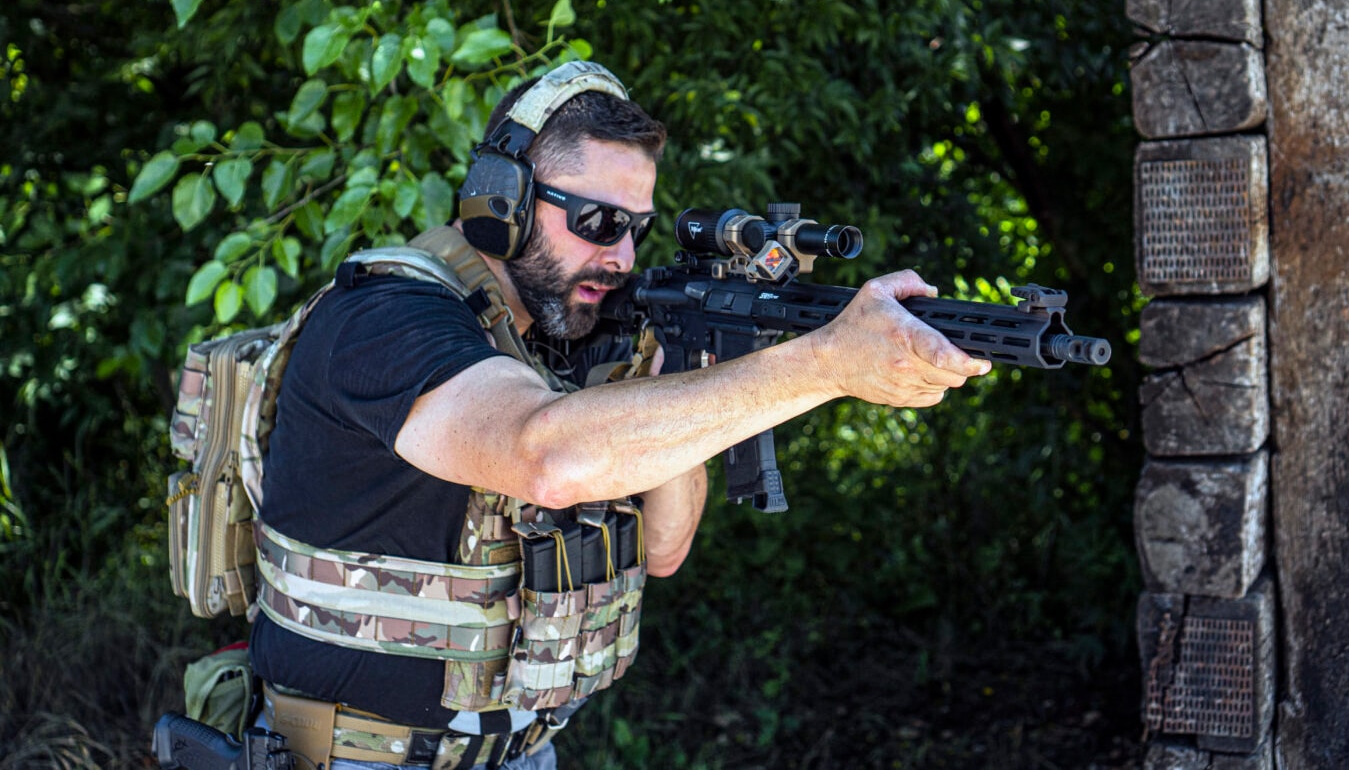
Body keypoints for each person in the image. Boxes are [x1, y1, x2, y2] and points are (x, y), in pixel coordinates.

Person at [247, 60, 989, 770]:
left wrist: (682, 372)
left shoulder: (568, 343)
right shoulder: (385, 317)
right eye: (599, 221)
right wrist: (826, 362)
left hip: (522, 751)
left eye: (637, 226)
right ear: (500, 203)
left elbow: (664, 548)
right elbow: (547, 457)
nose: (624, 256)